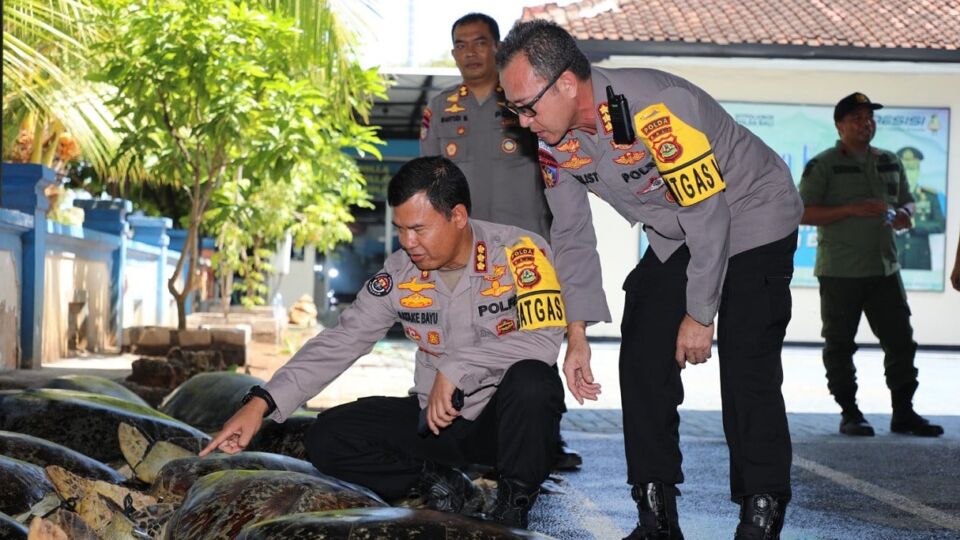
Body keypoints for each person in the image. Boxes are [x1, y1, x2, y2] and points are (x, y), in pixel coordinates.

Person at [497, 20, 802, 540]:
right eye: (514, 110)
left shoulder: (657, 108)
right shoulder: (554, 141)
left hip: (753, 213)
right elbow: (571, 234)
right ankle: (655, 514)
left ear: (568, 83)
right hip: (679, 232)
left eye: (527, 106)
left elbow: (709, 212)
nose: (523, 122)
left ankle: (761, 511)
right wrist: (576, 336)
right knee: (641, 353)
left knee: (747, 360)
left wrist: (700, 314)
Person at [201, 156, 568, 529]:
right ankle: (436, 482)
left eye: (419, 229)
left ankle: (513, 504)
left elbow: (544, 340)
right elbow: (344, 339)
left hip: (504, 425)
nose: (408, 243)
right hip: (436, 420)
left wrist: (458, 366)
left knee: (534, 382)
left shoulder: (520, 252)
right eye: (401, 229)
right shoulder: (399, 273)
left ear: (457, 216)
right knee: (328, 436)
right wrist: (262, 402)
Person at [420, 12, 582, 471]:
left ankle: (545, 443)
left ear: (497, 47)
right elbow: (426, 187)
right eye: (461, 45)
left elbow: (557, 174)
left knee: (537, 342)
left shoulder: (524, 102)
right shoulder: (440, 108)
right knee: (462, 343)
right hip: (464, 257)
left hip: (526, 254)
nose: (470, 52)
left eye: (480, 42)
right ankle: (465, 439)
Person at [798, 92, 944, 440]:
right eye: (857, 119)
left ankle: (904, 413)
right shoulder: (824, 164)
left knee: (901, 342)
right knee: (840, 344)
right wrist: (850, 209)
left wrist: (905, 215)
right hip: (840, 271)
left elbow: (906, 201)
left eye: (870, 118)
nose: (866, 124)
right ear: (840, 126)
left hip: (885, 270)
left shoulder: (890, 161)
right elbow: (802, 212)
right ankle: (850, 414)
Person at [894, 146, 946, 270]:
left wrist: (915, 225)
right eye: (904, 169)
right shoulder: (887, 196)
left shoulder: (930, 196)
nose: (907, 173)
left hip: (919, 259)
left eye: (912, 169)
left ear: (918, 171)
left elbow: (941, 225)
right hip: (893, 258)